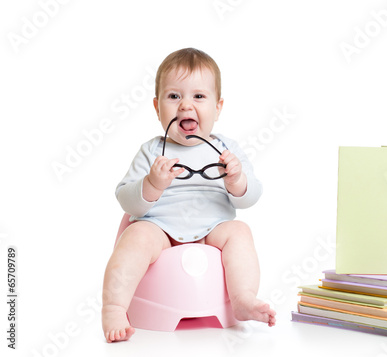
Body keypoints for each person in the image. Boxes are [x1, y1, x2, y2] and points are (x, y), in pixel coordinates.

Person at [101, 48, 276, 343]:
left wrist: (236, 180)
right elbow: (125, 199)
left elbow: (251, 197)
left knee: (240, 231)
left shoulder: (225, 149)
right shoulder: (152, 151)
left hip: (212, 230)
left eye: (199, 96)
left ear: (218, 107)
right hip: (161, 230)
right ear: (157, 107)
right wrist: (152, 183)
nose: (185, 105)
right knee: (135, 237)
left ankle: (243, 298)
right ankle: (115, 307)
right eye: (173, 97)